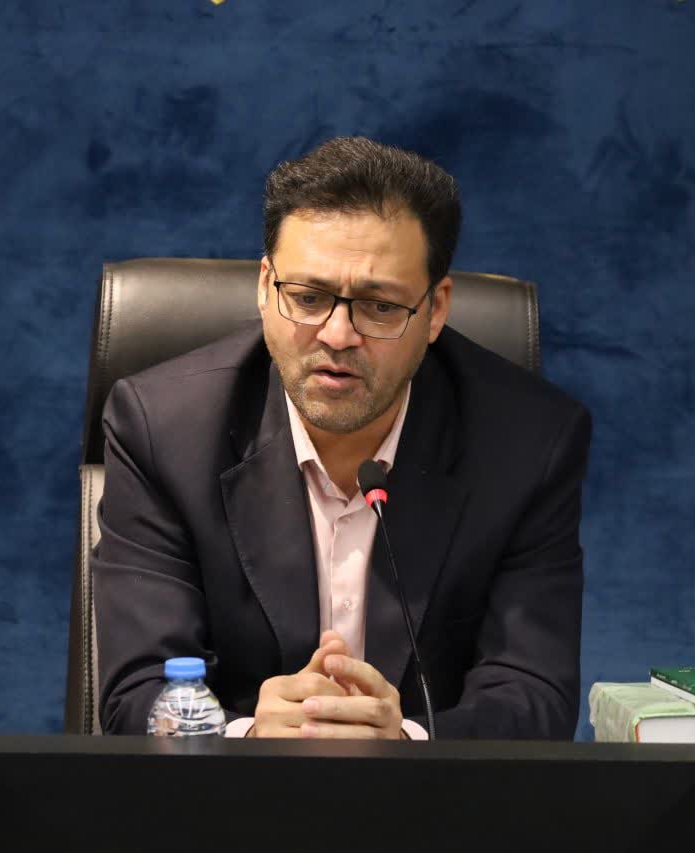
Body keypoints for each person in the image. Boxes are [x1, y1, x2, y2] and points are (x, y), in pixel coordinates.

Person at [93, 136, 591, 739]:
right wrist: (246, 736)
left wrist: (404, 742)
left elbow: (533, 697)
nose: (336, 335)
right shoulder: (163, 429)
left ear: (436, 309)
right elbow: (136, 696)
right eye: (308, 298)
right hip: (229, 793)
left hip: (431, 798)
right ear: (264, 286)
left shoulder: (529, 444)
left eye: (379, 307)